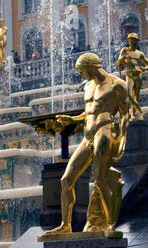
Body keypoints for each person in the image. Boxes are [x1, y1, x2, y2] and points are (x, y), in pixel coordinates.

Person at [44, 53, 129, 235]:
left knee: (100, 179)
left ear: (91, 67)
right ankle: (65, 225)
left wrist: (122, 140)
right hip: (88, 136)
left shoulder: (117, 85)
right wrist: (73, 119)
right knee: (66, 180)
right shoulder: (88, 86)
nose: (82, 75)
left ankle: (110, 225)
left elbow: (125, 115)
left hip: (105, 132)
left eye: (82, 71)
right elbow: (89, 113)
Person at [117, 33, 147, 120]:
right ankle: (141, 112)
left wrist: (143, 68)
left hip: (138, 75)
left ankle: (133, 115)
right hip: (129, 74)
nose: (132, 42)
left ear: (137, 42)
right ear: (128, 41)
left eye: (134, 41)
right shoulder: (124, 51)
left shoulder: (140, 54)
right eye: (131, 40)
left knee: (135, 96)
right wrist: (121, 59)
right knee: (129, 95)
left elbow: (147, 64)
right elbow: (118, 62)